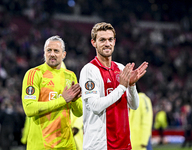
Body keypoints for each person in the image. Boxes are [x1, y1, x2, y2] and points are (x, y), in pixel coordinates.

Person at [79, 22, 148, 150]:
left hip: (123, 144)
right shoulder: (89, 70)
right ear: (93, 43)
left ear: (114, 42)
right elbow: (95, 106)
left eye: (110, 39)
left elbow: (134, 105)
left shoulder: (121, 68)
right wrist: (122, 87)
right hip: (99, 145)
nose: (107, 43)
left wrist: (132, 86)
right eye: (102, 40)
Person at [21, 35, 82, 150]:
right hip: (42, 145)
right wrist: (63, 99)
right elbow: (29, 109)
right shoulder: (34, 74)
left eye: (56, 51)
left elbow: (79, 112)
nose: (52, 54)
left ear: (64, 54)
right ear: (44, 53)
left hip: (67, 145)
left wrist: (74, 101)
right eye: (49, 50)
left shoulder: (70, 75)